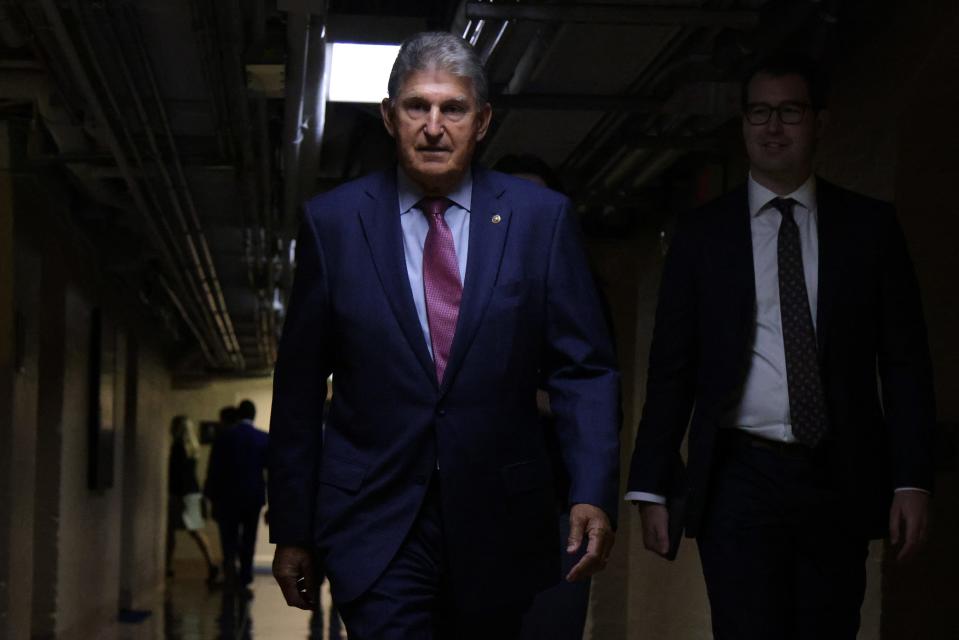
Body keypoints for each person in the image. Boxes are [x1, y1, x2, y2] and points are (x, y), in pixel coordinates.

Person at [269, 31, 621, 639]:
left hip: (499, 520)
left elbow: (582, 368)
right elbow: (299, 387)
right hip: (374, 521)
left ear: (481, 121)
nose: (434, 126)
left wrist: (591, 488)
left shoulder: (540, 220)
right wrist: (293, 527)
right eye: (416, 106)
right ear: (389, 116)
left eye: (452, 108)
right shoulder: (333, 224)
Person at [625, 52, 936, 639]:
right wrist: (652, 485)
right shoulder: (703, 235)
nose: (772, 127)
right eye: (759, 113)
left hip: (837, 472)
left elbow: (905, 362)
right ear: (742, 124)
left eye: (789, 112)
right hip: (739, 475)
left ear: (821, 122)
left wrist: (912, 479)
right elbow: (672, 368)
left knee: (829, 627)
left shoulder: (869, 228)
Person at [205, 399, 269, 595]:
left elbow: (214, 470)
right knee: (249, 539)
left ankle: (230, 575)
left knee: (229, 539)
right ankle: (246, 579)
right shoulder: (263, 438)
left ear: (239, 415)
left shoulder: (224, 437)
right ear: (254, 416)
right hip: (253, 497)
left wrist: (210, 497)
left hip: (227, 498)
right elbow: (273, 472)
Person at [166, 415, 219, 586]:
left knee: (170, 531)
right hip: (193, 493)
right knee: (196, 531)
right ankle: (211, 563)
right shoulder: (192, 449)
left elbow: (177, 475)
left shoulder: (177, 447)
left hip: (180, 494)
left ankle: (167, 566)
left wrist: (176, 495)